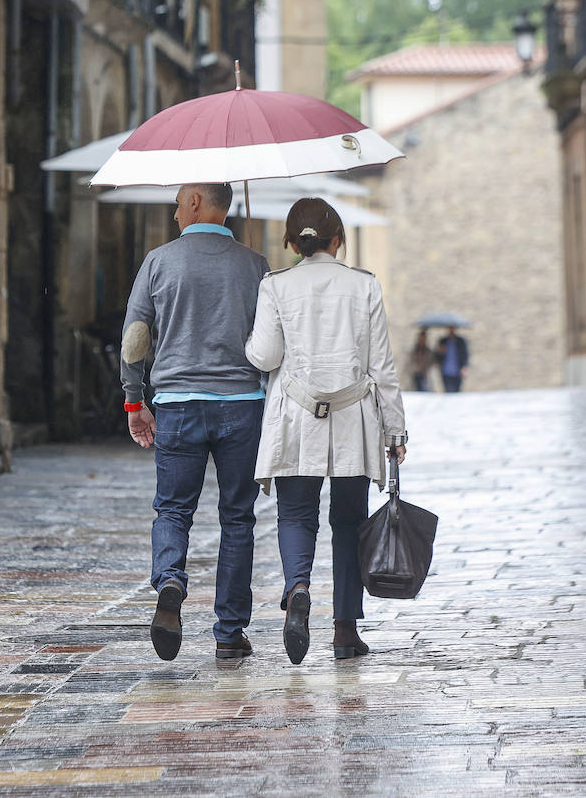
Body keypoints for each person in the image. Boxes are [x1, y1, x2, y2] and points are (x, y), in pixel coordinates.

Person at [245, 198, 406, 665]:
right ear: (338, 239)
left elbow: (266, 356)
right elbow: (382, 366)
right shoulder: (364, 285)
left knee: (296, 515)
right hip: (353, 418)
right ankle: (344, 629)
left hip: (296, 416)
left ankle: (297, 589)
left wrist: (249, 341)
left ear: (292, 243)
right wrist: (396, 431)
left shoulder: (274, 286)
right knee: (349, 522)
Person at [122, 182, 270, 662]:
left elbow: (135, 337)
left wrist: (133, 401)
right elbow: (271, 344)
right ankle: (229, 632)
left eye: (177, 201)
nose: (173, 212)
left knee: (172, 510)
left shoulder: (159, 261)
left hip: (178, 403)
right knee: (238, 518)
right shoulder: (255, 266)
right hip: (241, 404)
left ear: (195, 203)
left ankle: (169, 581)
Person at [435, 327, 470, 392]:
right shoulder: (443, 341)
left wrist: (464, 367)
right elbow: (437, 355)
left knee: (457, 391)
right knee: (447, 390)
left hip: (457, 370)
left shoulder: (460, 341)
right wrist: (440, 352)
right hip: (446, 370)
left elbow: (465, 354)